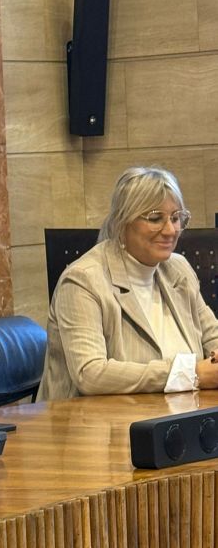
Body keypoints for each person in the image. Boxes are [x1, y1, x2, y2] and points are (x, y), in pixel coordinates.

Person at [38, 166, 218, 400]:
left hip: (173, 419)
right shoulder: (83, 280)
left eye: (176, 218)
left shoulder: (178, 268)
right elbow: (90, 374)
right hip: (95, 428)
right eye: (155, 218)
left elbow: (212, 336)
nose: (170, 230)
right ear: (122, 222)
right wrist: (188, 373)